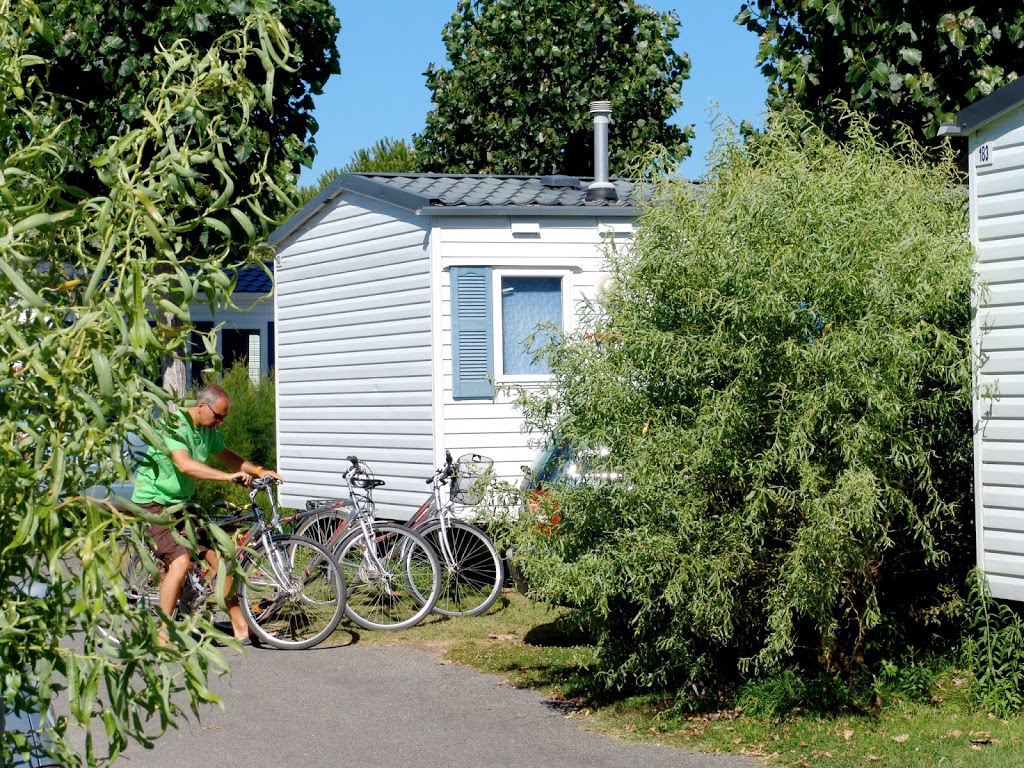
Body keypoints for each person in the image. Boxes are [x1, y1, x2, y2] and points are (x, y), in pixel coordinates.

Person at [130, 383, 284, 646]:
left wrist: (259, 470)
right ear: (201, 406)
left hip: (181, 504)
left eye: (224, 417)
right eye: (218, 416)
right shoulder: (174, 426)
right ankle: (163, 634)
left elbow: (226, 456)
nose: (221, 422)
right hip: (153, 505)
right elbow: (184, 464)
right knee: (179, 562)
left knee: (222, 561)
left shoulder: (206, 429)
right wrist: (227, 478)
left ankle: (240, 627)